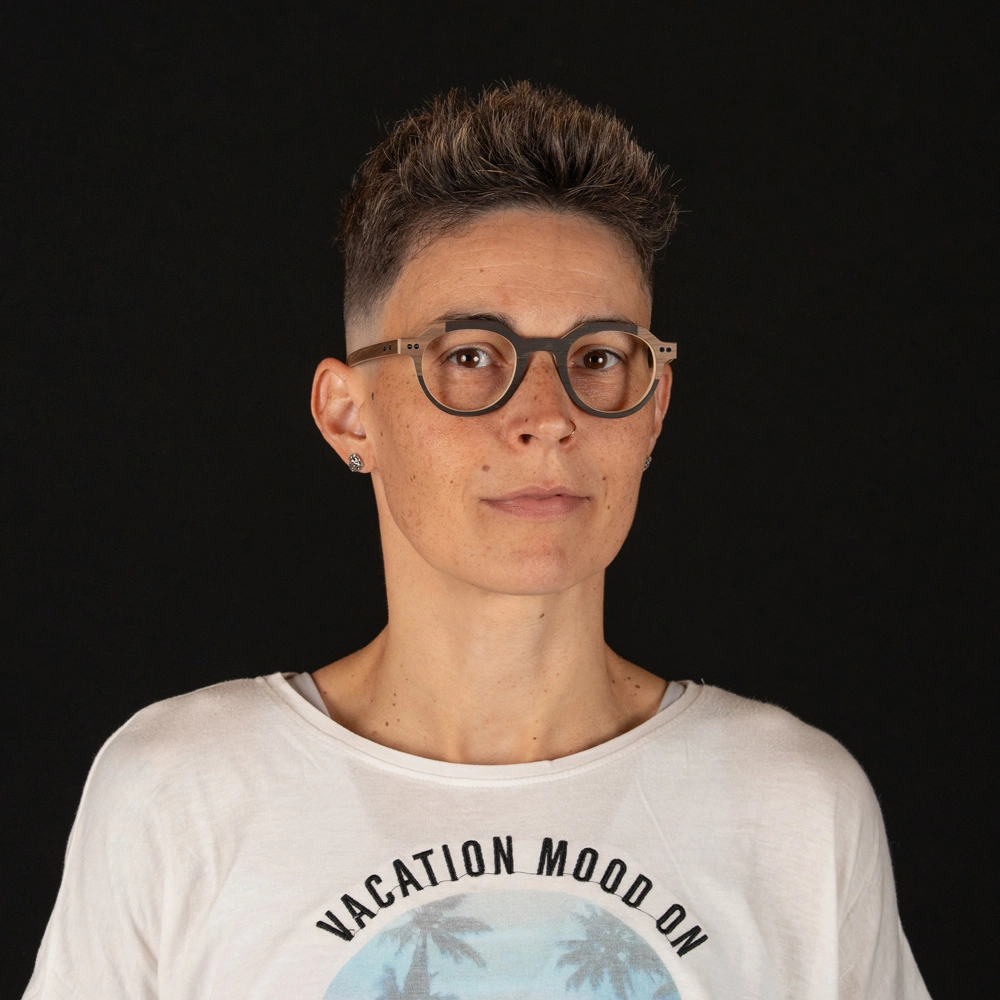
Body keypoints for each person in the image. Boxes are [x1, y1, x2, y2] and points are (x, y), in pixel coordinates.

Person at [23, 82, 930, 999]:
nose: (547, 417)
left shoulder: (794, 810)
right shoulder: (181, 794)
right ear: (349, 416)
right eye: (469, 357)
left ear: (654, 409)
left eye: (598, 358)